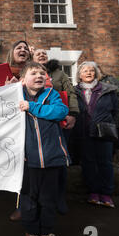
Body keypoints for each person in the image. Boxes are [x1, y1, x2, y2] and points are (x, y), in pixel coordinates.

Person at [18, 61, 69, 236]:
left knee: (48, 201)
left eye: (42, 73)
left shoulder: (52, 95)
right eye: (33, 73)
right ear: (23, 79)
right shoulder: (15, 95)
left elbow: (60, 112)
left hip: (52, 158)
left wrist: (32, 107)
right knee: (29, 201)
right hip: (27, 161)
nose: (39, 76)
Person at [73, 61, 118, 208]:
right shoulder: (73, 91)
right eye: (84, 70)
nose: (88, 73)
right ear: (79, 75)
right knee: (88, 163)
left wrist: (108, 123)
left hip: (103, 131)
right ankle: (93, 192)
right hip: (83, 132)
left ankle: (106, 194)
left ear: (96, 73)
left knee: (105, 163)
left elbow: (115, 112)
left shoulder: (108, 89)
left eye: (91, 70)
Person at [40, 56, 79, 215]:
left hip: (58, 121)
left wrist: (73, 113)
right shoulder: (28, 72)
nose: (41, 55)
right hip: (35, 122)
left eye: (44, 53)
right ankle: (39, 199)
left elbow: (70, 92)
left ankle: (59, 198)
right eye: (38, 53)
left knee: (59, 160)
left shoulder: (59, 74)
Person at [4, 40, 31, 221]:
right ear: (12, 53)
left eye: (25, 48)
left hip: (31, 124)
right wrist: (7, 88)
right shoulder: (3, 72)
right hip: (10, 127)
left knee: (29, 167)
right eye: (18, 48)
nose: (22, 50)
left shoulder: (35, 72)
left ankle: (24, 207)